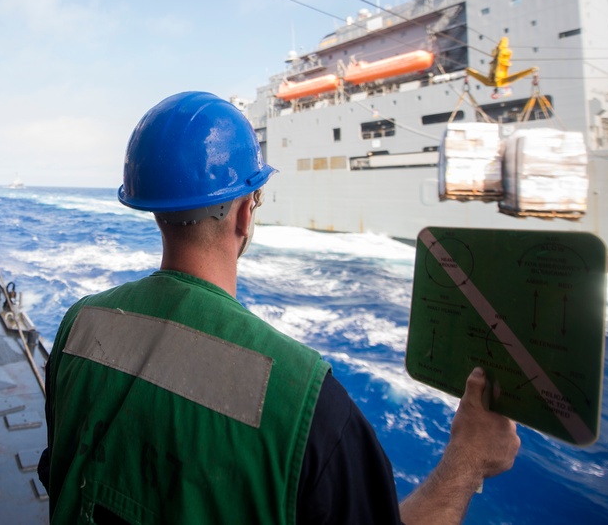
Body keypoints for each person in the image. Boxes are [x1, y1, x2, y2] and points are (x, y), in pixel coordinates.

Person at [38, 91, 520, 524]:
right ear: (247, 211)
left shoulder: (77, 327)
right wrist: (468, 460)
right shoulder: (307, 401)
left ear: (155, 210)